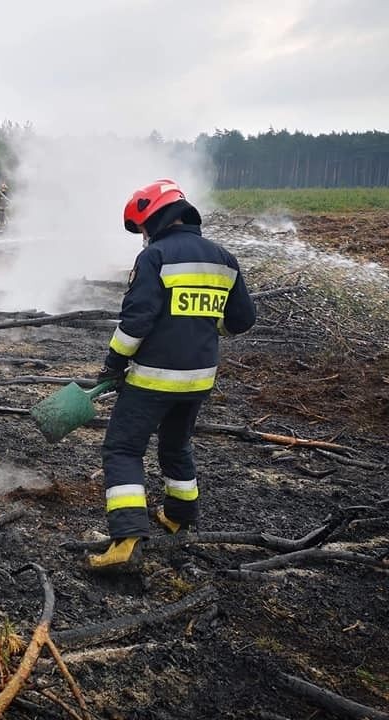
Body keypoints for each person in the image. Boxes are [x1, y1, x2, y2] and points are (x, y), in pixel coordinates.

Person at [88, 179, 256, 569]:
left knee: (123, 449)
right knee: (176, 445)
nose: (143, 237)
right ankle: (179, 517)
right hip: (199, 379)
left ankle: (126, 539)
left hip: (152, 379)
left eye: (142, 228)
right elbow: (242, 321)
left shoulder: (156, 257)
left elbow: (136, 321)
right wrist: (205, 328)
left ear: (154, 219)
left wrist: (113, 363)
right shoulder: (224, 259)